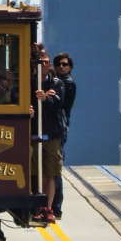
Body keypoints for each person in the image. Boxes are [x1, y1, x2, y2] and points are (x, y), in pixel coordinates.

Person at [30, 51, 67, 223]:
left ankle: (49, 207)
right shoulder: (29, 83)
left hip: (52, 134)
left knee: (51, 172)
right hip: (34, 133)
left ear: (49, 65)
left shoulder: (57, 83)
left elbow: (59, 104)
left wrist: (45, 99)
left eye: (45, 62)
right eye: (39, 63)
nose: (43, 65)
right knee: (37, 172)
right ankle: (38, 205)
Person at [52, 52, 75, 220]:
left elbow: (60, 104)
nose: (62, 67)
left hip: (60, 126)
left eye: (65, 64)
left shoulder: (67, 83)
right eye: (59, 64)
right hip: (56, 125)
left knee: (55, 165)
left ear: (70, 67)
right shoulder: (56, 81)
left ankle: (56, 205)